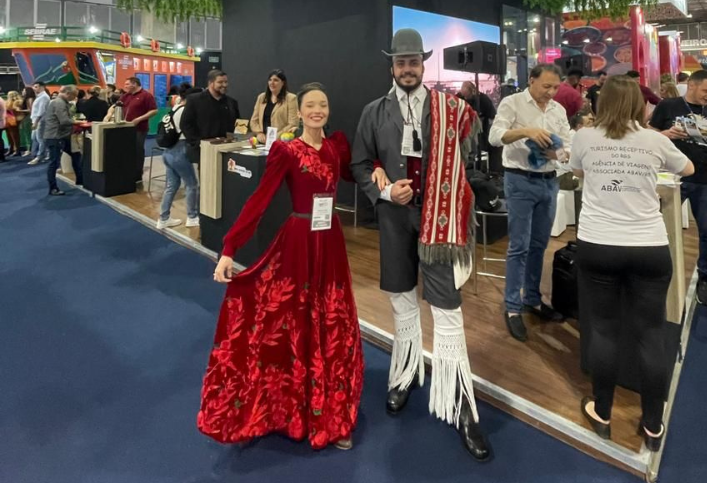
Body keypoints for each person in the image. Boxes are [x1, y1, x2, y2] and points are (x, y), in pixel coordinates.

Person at [350, 28, 490, 461]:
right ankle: (405, 372)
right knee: (401, 300)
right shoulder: (374, 112)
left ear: (423, 64)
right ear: (391, 66)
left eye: (414, 61)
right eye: (401, 62)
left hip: (439, 223)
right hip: (394, 220)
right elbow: (358, 163)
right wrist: (385, 191)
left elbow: (470, 152)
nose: (407, 69)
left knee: (447, 308)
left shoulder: (450, 108)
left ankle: (461, 402)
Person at [199, 83, 364, 450]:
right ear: (300, 111)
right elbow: (260, 198)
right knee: (292, 318)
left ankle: (329, 411)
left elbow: (358, 172)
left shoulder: (337, 147)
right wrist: (230, 247)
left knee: (331, 319)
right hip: (299, 241)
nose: (317, 110)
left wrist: (383, 174)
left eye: (323, 104)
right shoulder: (286, 151)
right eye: (310, 105)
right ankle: (289, 408)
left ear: (328, 109)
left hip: (331, 242)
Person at [571, 75, 694, 452]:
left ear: (601, 104)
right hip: (648, 247)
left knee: (604, 330)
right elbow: (687, 169)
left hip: (598, 245)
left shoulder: (585, 138)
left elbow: (578, 172)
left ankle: (602, 412)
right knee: (651, 333)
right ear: (641, 106)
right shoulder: (655, 139)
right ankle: (653, 424)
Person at [489, 63, 572, 340]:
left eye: (555, 87)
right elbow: (495, 136)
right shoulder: (512, 103)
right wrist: (526, 131)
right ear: (531, 80)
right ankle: (512, 306)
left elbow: (568, 149)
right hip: (519, 181)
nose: (551, 92)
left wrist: (557, 155)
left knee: (539, 245)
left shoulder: (558, 111)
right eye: (546, 86)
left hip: (549, 182)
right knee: (519, 246)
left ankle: (533, 299)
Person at [649, 69, 707, 306]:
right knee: (657, 228)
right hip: (671, 176)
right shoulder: (668, 106)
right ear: (691, 85)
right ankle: (655, 276)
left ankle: (706, 278)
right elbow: (650, 133)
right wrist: (666, 135)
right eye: (706, 90)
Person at [157, 86, 203, 230]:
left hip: (167, 152)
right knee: (191, 184)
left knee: (171, 186)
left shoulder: (176, 107)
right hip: (180, 151)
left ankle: (163, 218)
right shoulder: (186, 111)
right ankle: (192, 216)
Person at [181, 70, 240, 165]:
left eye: (226, 82)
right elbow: (185, 124)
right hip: (205, 151)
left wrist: (238, 141)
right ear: (210, 83)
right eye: (220, 82)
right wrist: (197, 143)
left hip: (228, 152)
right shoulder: (195, 100)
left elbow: (238, 125)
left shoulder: (232, 103)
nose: (224, 85)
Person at [44, 85, 83, 196]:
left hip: (63, 136)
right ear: (68, 93)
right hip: (56, 137)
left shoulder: (62, 102)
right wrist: (78, 122)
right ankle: (53, 188)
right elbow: (64, 121)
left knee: (76, 155)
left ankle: (80, 179)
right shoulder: (59, 103)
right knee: (54, 163)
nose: (75, 98)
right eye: (74, 95)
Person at [120, 76, 158, 182]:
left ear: (134, 84)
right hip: (125, 128)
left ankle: (137, 175)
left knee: (137, 150)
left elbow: (154, 111)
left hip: (139, 129)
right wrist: (109, 115)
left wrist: (139, 119)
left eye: (127, 84)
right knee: (127, 151)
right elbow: (116, 106)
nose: (125, 86)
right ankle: (127, 171)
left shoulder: (146, 96)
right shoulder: (126, 96)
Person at [249, 69, 299, 143]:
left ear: (283, 83)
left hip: (280, 142)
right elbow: (254, 121)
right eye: (270, 80)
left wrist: (274, 137)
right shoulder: (261, 97)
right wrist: (259, 133)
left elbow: (293, 123)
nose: (272, 83)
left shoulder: (291, 98)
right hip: (262, 142)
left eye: (276, 80)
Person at [458, 80, 497, 168]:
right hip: (463, 129)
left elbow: (493, 116)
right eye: (463, 95)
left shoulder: (484, 100)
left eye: (467, 95)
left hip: (480, 130)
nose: (465, 98)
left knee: (479, 147)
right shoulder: (459, 97)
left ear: (473, 91)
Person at [28, 82, 51, 165]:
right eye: (34, 87)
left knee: (41, 139)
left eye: (36, 87)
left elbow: (41, 111)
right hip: (35, 120)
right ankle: (43, 154)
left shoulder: (44, 97)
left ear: (42, 87)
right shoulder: (39, 97)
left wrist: (36, 122)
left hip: (40, 121)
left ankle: (40, 156)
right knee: (34, 138)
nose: (34, 88)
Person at [4, 91, 23, 157]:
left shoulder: (17, 102)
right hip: (8, 119)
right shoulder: (7, 101)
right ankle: (11, 148)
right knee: (9, 135)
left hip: (13, 120)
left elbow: (17, 110)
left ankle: (17, 150)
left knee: (14, 135)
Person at [18, 87, 36, 157]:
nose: (22, 91)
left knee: (28, 134)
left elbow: (30, 110)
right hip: (26, 117)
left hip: (28, 118)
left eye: (24, 90)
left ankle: (30, 149)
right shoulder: (26, 99)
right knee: (27, 133)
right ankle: (29, 149)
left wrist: (19, 111)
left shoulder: (30, 99)